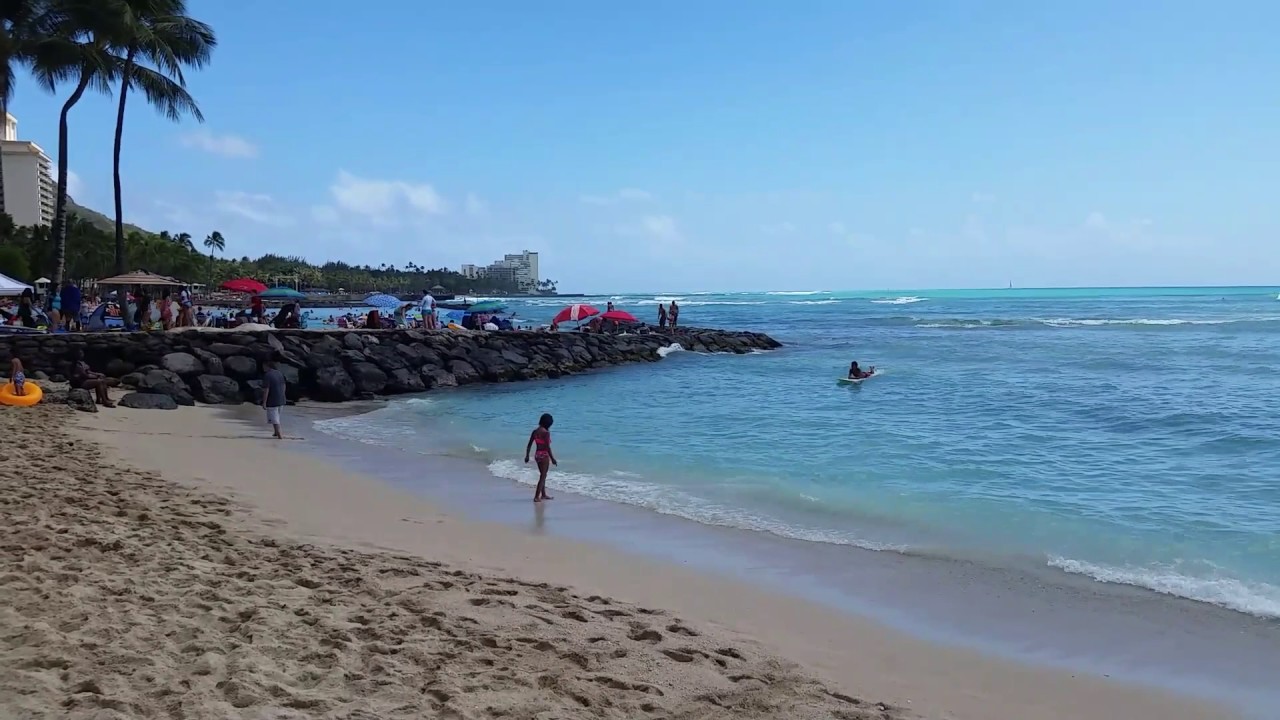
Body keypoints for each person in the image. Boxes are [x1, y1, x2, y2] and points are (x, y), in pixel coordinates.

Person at [523, 413, 557, 502]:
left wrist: (527, 456)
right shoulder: (546, 433)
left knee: (542, 475)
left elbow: (529, 445)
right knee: (543, 476)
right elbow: (547, 447)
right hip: (544, 455)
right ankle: (536, 496)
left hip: (537, 454)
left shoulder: (535, 431)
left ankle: (543, 494)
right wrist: (552, 458)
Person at [261, 359, 287, 439]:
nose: (263, 368)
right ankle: (276, 432)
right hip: (281, 399)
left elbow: (266, 389)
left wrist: (264, 402)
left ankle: (279, 434)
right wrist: (283, 395)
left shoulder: (267, 375)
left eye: (263, 366)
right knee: (277, 416)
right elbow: (284, 385)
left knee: (274, 418)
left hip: (272, 400)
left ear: (267, 366)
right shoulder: (279, 373)